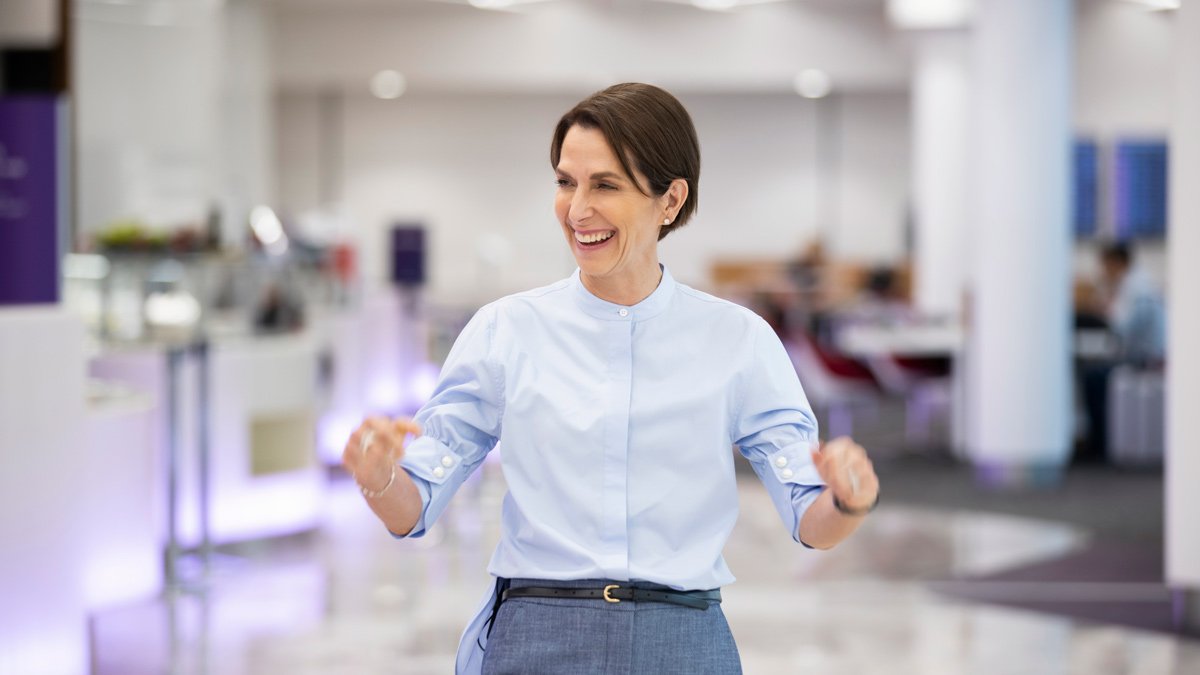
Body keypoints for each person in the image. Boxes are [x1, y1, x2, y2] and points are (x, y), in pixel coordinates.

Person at [341, 83, 881, 675]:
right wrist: (379, 477)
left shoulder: (739, 341)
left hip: (682, 640)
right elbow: (411, 507)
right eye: (566, 181)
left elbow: (813, 521)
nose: (577, 210)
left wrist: (847, 502)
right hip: (536, 636)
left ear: (670, 200)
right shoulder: (505, 331)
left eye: (605, 185)